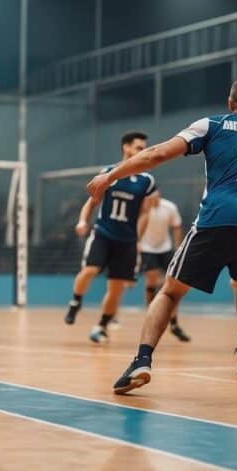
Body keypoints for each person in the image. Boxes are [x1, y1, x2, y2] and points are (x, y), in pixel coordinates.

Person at [90, 77, 237, 394]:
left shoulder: (213, 125)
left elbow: (157, 154)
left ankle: (142, 360)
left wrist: (111, 174)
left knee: (170, 292)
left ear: (230, 103)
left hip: (218, 218)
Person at [64, 132, 157, 345]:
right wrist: (82, 221)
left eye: (144, 148)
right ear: (126, 148)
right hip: (103, 233)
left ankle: (101, 326)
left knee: (116, 288)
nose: (142, 151)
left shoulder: (146, 180)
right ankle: (76, 301)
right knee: (90, 270)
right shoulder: (108, 173)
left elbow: (145, 212)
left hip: (126, 241)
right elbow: (92, 202)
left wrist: (138, 239)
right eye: (138, 147)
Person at [138, 191, 190, 342]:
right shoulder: (142, 209)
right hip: (147, 248)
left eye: (153, 193)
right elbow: (137, 225)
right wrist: (138, 242)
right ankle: (151, 314)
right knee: (151, 280)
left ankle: (174, 324)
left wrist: (177, 247)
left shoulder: (169, 207)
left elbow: (177, 226)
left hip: (166, 248)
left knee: (173, 285)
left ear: (158, 193)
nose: (151, 197)